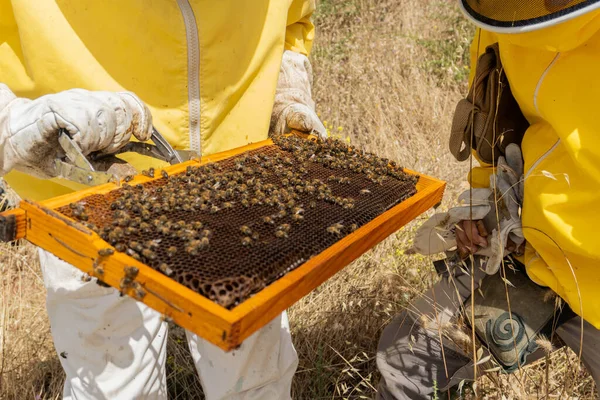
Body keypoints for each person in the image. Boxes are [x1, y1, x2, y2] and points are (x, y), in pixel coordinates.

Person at [0, 1, 326, 399]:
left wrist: (285, 90)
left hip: (236, 196)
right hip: (90, 201)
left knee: (258, 378)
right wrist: (9, 120)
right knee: (114, 386)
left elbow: (291, 17)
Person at [376, 1, 600, 398]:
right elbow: (492, 117)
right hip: (529, 246)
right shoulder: (504, 10)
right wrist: (484, 207)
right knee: (406, 359)